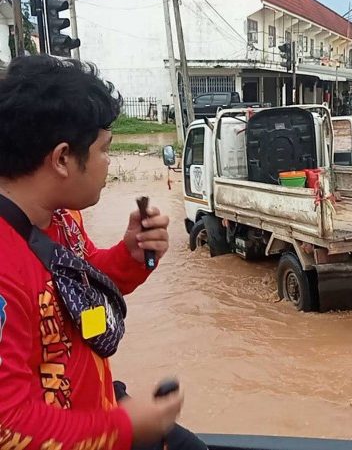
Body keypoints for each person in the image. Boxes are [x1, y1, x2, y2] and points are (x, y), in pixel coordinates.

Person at [0, 56, 205, 450]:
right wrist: (125, 427)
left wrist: (130, 255)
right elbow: (8, 427)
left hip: (95, 406)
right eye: (104, 149)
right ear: (62, 159)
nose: (108, 163)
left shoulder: (60, 218)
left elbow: (81, 289)